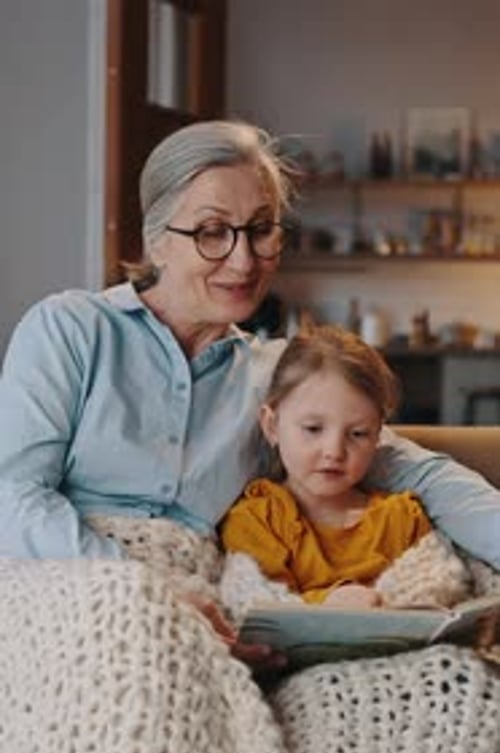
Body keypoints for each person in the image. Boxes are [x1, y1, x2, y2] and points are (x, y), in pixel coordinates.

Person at [0, 118, 499, 626]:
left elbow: (414, 471)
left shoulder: (277, 375)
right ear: (157, 241)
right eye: (212, 232)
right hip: (66, 583)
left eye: (261, 230)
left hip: (206, 600)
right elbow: (13, 496)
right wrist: (145, 592)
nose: (243, 262)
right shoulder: (70, 328)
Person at [221, 323, 432, 607]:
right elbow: (257, 606)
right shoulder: (257, 519)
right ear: (272, 426)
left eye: (358, 434)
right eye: (313, 428)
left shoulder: (402, 519)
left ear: (377, 436)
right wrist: (328, 603)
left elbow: (436, 587)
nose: (334, 452)